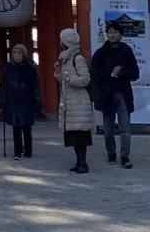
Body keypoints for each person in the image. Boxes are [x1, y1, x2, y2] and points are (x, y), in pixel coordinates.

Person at [91, 21, 141, 169]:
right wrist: (110, 75)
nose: (112, 35)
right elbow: (94, 72)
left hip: (123, 93)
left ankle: (125, 156)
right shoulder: (101, 52)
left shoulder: (126, 51)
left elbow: (135, 74)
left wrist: (121, 73)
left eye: (115, 32)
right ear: (107, 34)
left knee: (125, 128)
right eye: (110, 32)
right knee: (108, 129)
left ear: (121, 35)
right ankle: (111, 153)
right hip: (107, 94)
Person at [56, 27, 94, 174]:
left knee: (80, 135)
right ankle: (78, 162)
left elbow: (86, 79)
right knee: (73, 135)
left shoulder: (78, 58)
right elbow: (63, 80)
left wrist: (69, 78)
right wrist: (58, 72)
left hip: (79, 102)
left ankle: (83, 163)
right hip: (69, 102)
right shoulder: (65, 58)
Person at [0, 43, 40, 160]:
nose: (16, 55)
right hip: (13, 99)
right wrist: (3, 98)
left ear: (24, 55)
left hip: (27, 99)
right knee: (16, 126)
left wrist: (37, 101)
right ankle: (17, 151)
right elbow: (2, 83)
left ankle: (28, 150)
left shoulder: (30, 69)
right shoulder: (8, 67)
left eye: (19, 53)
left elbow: (35, 86)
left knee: (27, 126)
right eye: (14, 53)